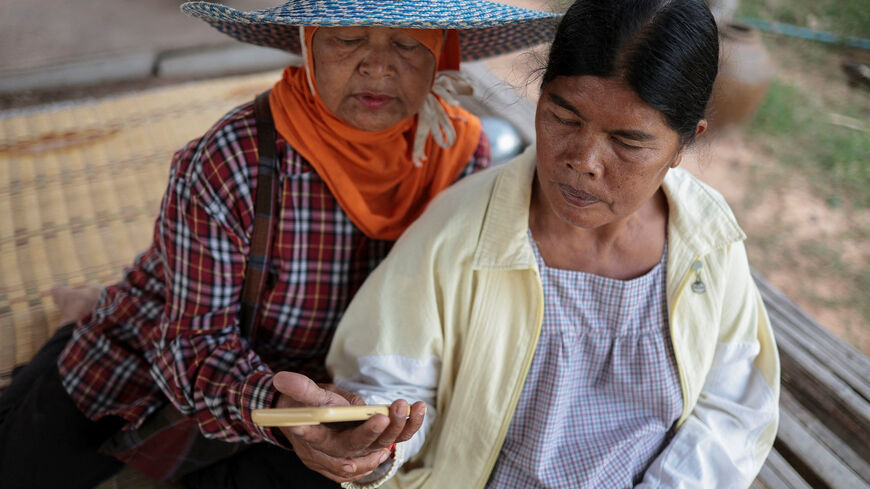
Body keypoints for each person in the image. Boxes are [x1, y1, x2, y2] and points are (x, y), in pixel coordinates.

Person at [0, 1, 560, 488]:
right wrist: (277, 405)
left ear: (445, 53)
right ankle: (87, 319)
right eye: (346, 38)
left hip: (334, 398)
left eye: (409, 42)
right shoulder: (232, 160)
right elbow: (193, 346)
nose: (377, 65)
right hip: (176, 367)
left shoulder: (464, 158)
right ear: (306, 44)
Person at [324, 0, 781, 487]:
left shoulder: (707, 242)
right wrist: (374, 437)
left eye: (627, 142)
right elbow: (391, 391)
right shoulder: (455, 235)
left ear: (684, 145)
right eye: (564, 117)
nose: (584, 160)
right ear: (540, 96)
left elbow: (730, 411)